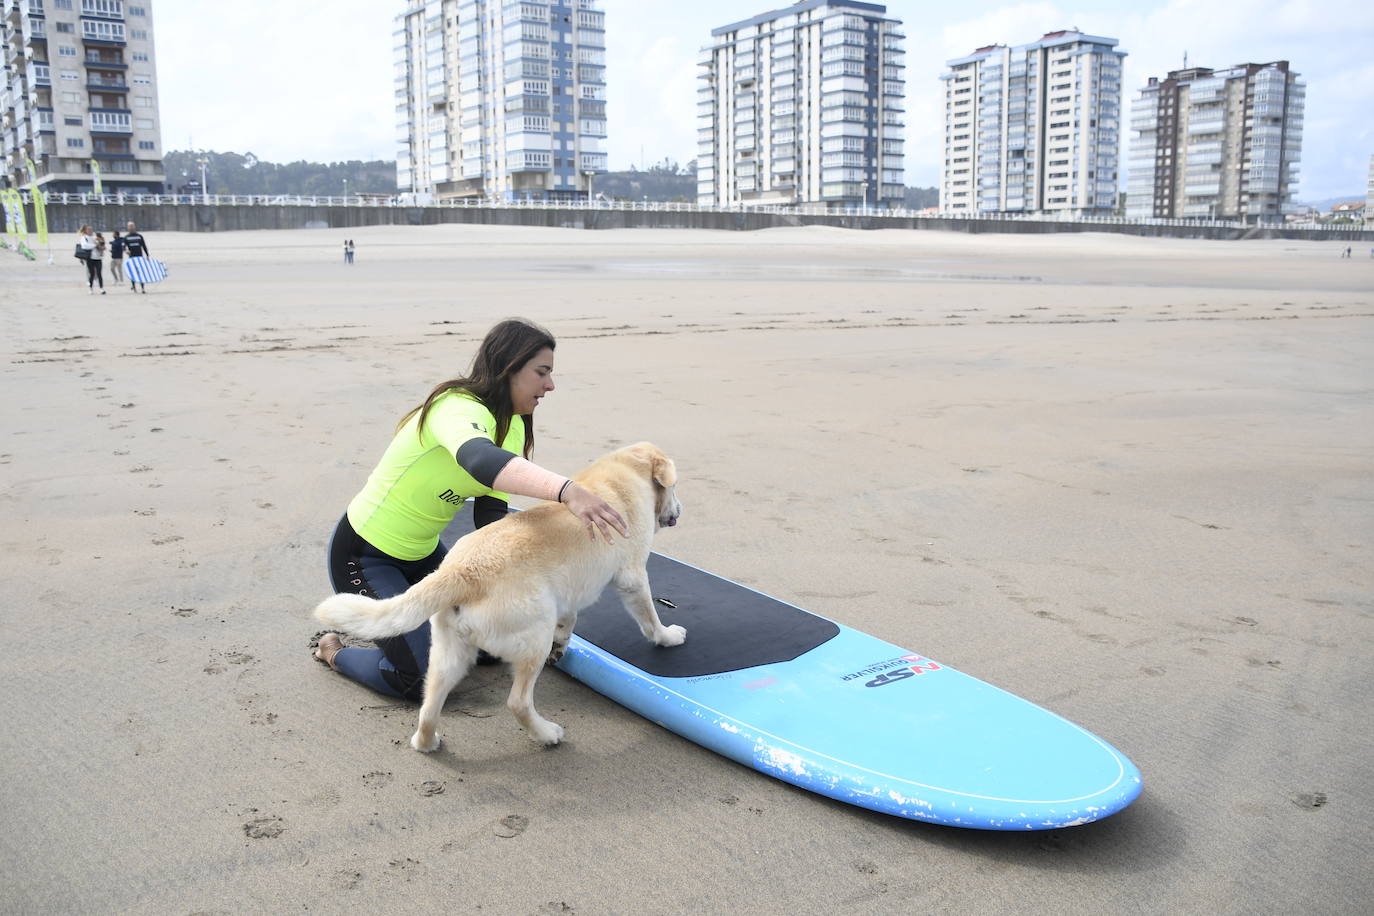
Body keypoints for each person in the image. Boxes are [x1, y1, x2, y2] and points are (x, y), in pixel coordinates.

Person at [313, 318, 628, 700]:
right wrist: (568, 492)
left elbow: (491, 513)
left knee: (490, 645)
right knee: (419, 678)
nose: (550, 385)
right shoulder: (455, 408)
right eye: (541, 372)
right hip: (365, 556)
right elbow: (479, 459)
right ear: (509, 367)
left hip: (425, 557)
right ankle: (336, 652)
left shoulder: (512, 425)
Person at [76, 225, 104, 294]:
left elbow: (101, 245)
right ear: (85, 231)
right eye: (89, 230)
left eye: (91, 229)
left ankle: (101, 288)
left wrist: (101, 245)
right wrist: (94, 245)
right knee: (91, 274)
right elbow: (84, 246)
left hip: (98, 258)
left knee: (99, 273)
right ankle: (91, 288)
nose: (90, 231)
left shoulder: (96, 237)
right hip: (90, 258)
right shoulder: (84, 237)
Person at [124, 221, 150, 292]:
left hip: (139, 257)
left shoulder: (139, 236)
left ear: (134, 227)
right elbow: (123, 246)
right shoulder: (126, 237)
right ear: (128, 228)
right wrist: (126, 251)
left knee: (141, 272)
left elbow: (144, 246)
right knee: (132, 272)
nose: (131, 228)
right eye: (130, 226)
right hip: (131, 257)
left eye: (132, 226)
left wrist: (147, 255)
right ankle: (134, 286)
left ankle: (142, 288)